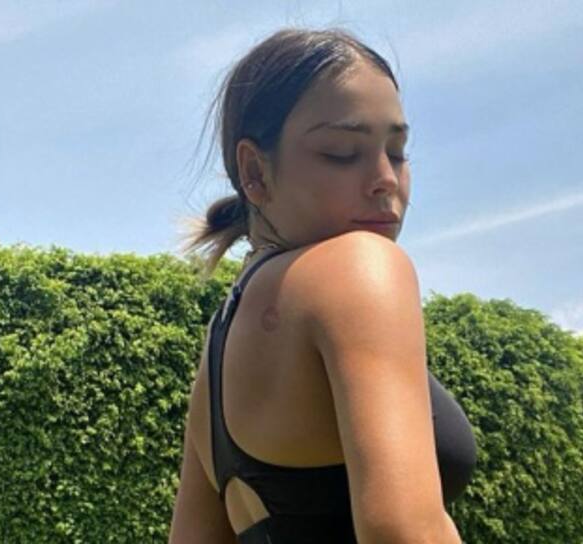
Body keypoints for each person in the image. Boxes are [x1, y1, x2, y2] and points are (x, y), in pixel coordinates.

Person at [169, 27, 477, 543]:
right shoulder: (357, 267)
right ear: (254, 171)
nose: (386, 179)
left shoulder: (221, 343)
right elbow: (403, 532)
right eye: (341, 152)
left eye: (397, 152)